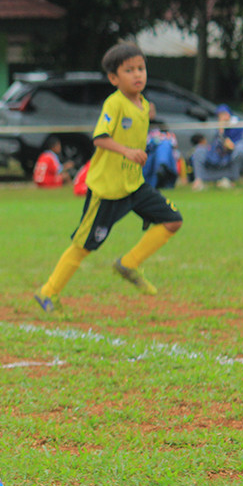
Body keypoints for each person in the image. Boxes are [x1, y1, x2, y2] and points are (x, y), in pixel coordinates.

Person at [34, 42, 183, 312]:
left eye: (141, 68)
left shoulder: (143, 104)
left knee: (172, 221)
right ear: (114, 78)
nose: (138, 74)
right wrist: (126, 150)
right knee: (84, 246)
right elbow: (100, 138)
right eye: (129, 70)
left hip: (134, 186)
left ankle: (128, 264)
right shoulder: (114, 104)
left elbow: (143, 116)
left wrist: (147, 114)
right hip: (107, 190)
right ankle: (48, 291)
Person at [190, 104, 243, 190]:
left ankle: (231, 178)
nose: (221, 117)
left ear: (228, 114)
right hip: (217, 156)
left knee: (240, 150)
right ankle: (199, 180)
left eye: (223, 114)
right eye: (219, 115)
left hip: (231, 156)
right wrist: (221, 131)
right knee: (199, 151)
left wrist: (232, 146)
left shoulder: (241, 126)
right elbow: (213, 145)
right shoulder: (218, 128)